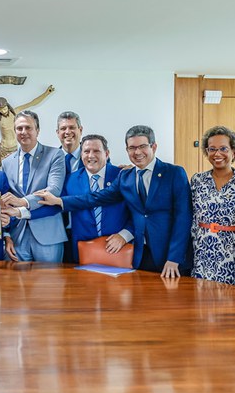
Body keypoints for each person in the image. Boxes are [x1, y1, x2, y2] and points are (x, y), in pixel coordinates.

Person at [34, 125, 191, 278]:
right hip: (139, 255)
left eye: (142, 146)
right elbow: (96, 197)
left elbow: (183, 219)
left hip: (170, 258)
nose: (137, 152)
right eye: (132, 148)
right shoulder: (125, 177)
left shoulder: (174, 173)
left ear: (154, 146)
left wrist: (174, 258)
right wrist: (59, 201)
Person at [0, 110, 67, 262]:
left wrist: (22, 202)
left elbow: (54, 190)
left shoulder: (55, 155)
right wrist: (7, 235)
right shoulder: (6, 162)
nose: (24, 132)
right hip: (17, 237)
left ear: (37, 130)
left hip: (48, 235)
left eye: (28, 128)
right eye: (19, 128)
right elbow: (4, 200)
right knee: (14, 284)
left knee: (48, 284)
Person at [62, 134, 133, 263]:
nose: (91, 155)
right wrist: (23, 210)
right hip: (81, 253)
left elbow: (138, 213)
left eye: (96, 151)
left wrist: (125, 235)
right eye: (86, 151)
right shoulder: (69, 181)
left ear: (106, 154)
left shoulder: (123, 176)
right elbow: (57, 208)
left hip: (121, 250)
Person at [190, 126, 235, 285]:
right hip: (202, 252)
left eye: (223, 149)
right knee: (201, 301)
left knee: (231, 302)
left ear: (233, 151)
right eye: (212, 149)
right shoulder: (197, 180)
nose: (217, 153)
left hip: (233, 252)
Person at [56, 111, 83, 262]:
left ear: (80, 130)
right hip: (57, 231)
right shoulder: (49, 158)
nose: (68, 132)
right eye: (63, 128)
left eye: (72, 127)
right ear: (57, 132)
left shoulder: (93, 156)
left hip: (85, 229)